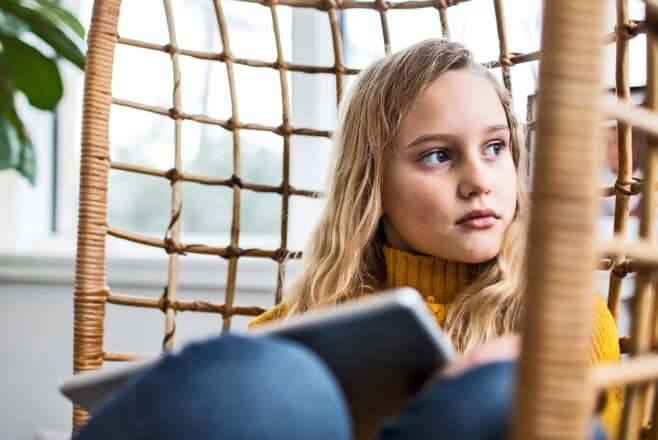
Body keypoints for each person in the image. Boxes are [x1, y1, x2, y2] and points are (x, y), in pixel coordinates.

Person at [75, 39, 621, 440]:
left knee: (505, 393)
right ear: (373, 185)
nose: (480, 179)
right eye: (438, 154)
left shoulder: (564, 319)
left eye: (496, 147)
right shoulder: (310, 324)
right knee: (263, 377)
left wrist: (538, 377)